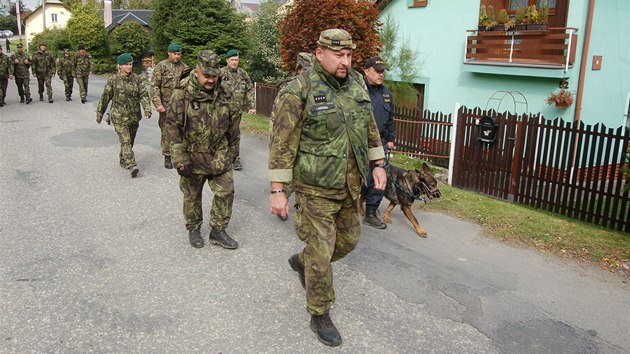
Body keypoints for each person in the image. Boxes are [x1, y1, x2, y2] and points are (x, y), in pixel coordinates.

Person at [268, 29, 387, 347]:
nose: (345, 61)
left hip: (350, 185)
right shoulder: (299, 89)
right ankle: (319, 311)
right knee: (321, 253)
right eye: (338, 55)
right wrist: (277, 189)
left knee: (347, 242)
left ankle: (302, 261)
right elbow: (282, 142)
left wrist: (378, 164)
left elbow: (370, 127)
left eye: (349, 55)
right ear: (320, 54)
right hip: (314, 187)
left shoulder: (358, 84)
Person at [164, 50, 240, 250]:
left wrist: (233, 152)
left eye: (214, 76)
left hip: (219, 155)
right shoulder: (181, 94)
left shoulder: (226, 92)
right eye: (207, 75)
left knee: (226, 192)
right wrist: (180, 159)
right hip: (192, 156)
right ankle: (194, 228)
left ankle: (218, 230)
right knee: (192, 195)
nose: (210, 80)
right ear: (196, 71)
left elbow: (234, 125)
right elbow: (172, 127)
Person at [96, 53, 151, 178]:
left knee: (129, 141)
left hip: (133, 116)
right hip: (119, 117)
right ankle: (132, 165)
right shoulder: (113, 80)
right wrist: (100, 114)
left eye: (130, 64)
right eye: (126, 65)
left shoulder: (137, 79)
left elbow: (143, 94)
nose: (129, 67)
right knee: (125, 140)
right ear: (120, 66)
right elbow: (105, 98)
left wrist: (147, 110)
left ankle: (123, 158)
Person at [361, 56, 396, 229]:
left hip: (380, 142)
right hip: (359, 140)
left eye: (382, 72)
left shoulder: (386, 94)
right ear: (366, 71)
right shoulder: (357, 90)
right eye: (377, 71)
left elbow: (390, 119)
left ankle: (371, 212)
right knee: (357, 176)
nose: (381, 75)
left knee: (379, 178)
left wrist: (391, 139)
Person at [151, 42, 189, 169]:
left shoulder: (185, 68)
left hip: (181, 106)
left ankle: (180, 155)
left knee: (181, 130)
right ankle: (167, 155)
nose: (176, 56)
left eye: (178, 54)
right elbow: (155, 86)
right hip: (166, 105)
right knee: (166, 131)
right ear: (169, 53)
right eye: (174, 54)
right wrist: (158, 104)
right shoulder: (161, 66)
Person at [219, 49, 255, 171]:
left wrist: (252, 105)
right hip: (222, 111)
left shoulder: (243, 73)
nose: (234, 62)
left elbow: (250, 89)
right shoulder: (221, 73)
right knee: (221, 133)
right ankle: (221, 157)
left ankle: (235, 159)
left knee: (234, 135)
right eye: (232, 60)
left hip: (237, 111)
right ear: (227, 61)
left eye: (236, 60)